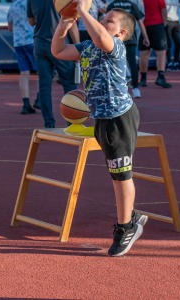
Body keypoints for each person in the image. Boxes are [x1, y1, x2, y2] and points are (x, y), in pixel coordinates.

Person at [52, 2, 149, 256]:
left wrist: (83, 10)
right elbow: (59, 50)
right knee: (117, 173)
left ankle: (126, 227)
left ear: (121, 34)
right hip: (103, 120)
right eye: (103, 18)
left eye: (109, 20)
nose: (103, 22)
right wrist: (65, 21)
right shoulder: (87, 47)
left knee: (121, 175)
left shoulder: (115, 47)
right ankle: (131, 215)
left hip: (120, 118)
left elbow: (100, 36)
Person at [27, 0, 79, 128]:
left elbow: (31, 22)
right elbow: (71, 24)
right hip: (60, 44)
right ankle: (72, 122)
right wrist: (78, 48)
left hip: (40, 44)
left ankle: (49, 123)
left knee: (44, 86)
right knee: (69, 84)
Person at [107, 0, 150, 98]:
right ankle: (135, 88)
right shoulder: (132, 5)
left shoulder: (112, 5)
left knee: (114, 63)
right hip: (130, 37)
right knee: (132, 63)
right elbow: (140, 22)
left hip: (116, 37)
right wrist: (145, 37)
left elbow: (107, 23)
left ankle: (117, 89)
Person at [7, 0, 39, 115]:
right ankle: (39, 99)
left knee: (24, 74)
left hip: (19, 42)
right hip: (32, 40)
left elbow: (10, 27)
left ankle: (26, 104)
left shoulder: (12, 6)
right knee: (41, 71)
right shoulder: (32, 3)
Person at [138, 0, 172, 88]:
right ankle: (160, 76)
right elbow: (163, 11)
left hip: (144, 25)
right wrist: (164, 25)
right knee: (161, 52)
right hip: (157, 24)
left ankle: (143, 79)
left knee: (144, 52)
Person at [166, 0, 180, 71]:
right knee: (168, 44)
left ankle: (176, 62)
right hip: (168, 21)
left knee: (178, 43)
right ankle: (169, 63)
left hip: (176, 22)